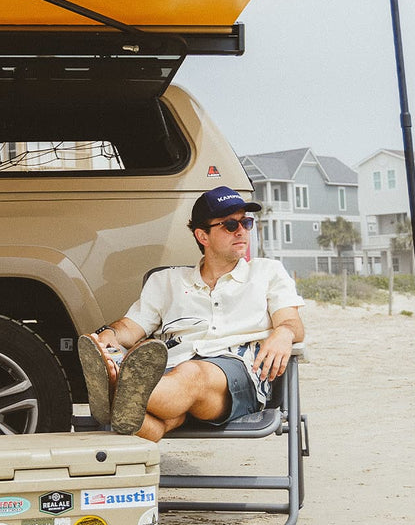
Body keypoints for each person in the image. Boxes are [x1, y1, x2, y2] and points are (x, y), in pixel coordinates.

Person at [78, 186, 305, 440]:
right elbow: (132, 327)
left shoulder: (267, 272)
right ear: (202, 236)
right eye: (230, 225)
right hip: (171, 374)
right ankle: (124, 395)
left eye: (246, 222)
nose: (241, 231)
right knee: (160, 416)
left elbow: (291, 322)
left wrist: (284, 333)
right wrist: (110, 333)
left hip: (236, 374)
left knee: (192, 374)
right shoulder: (166, 281)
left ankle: (114, 386)